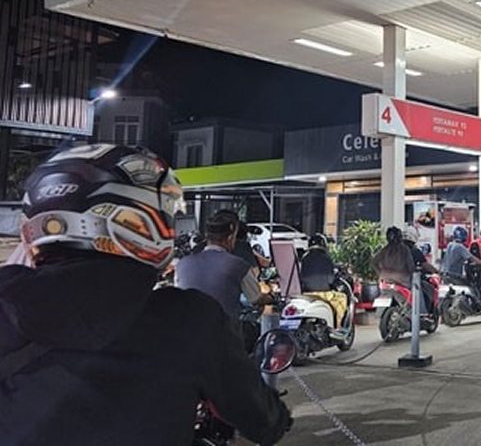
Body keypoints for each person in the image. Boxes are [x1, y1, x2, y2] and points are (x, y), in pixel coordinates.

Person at [0, 144, 291, 446]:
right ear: (135, 221)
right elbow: (261, 420)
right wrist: (277, 417)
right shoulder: (188, 319)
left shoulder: (6, 301)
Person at [175, 209, 275, 325]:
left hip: (187, 330)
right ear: (230, 238)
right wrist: (272, 298)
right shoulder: (239, 265)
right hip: (222, 332)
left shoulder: (182, 264)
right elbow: (256, 299)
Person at [402, 226, 439, 317]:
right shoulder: (414, 251)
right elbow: (425, 265)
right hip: (410, 280)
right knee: (425, 289)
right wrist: (436, 271)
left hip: (393, 279)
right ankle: (422, 313)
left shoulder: (396, 249)